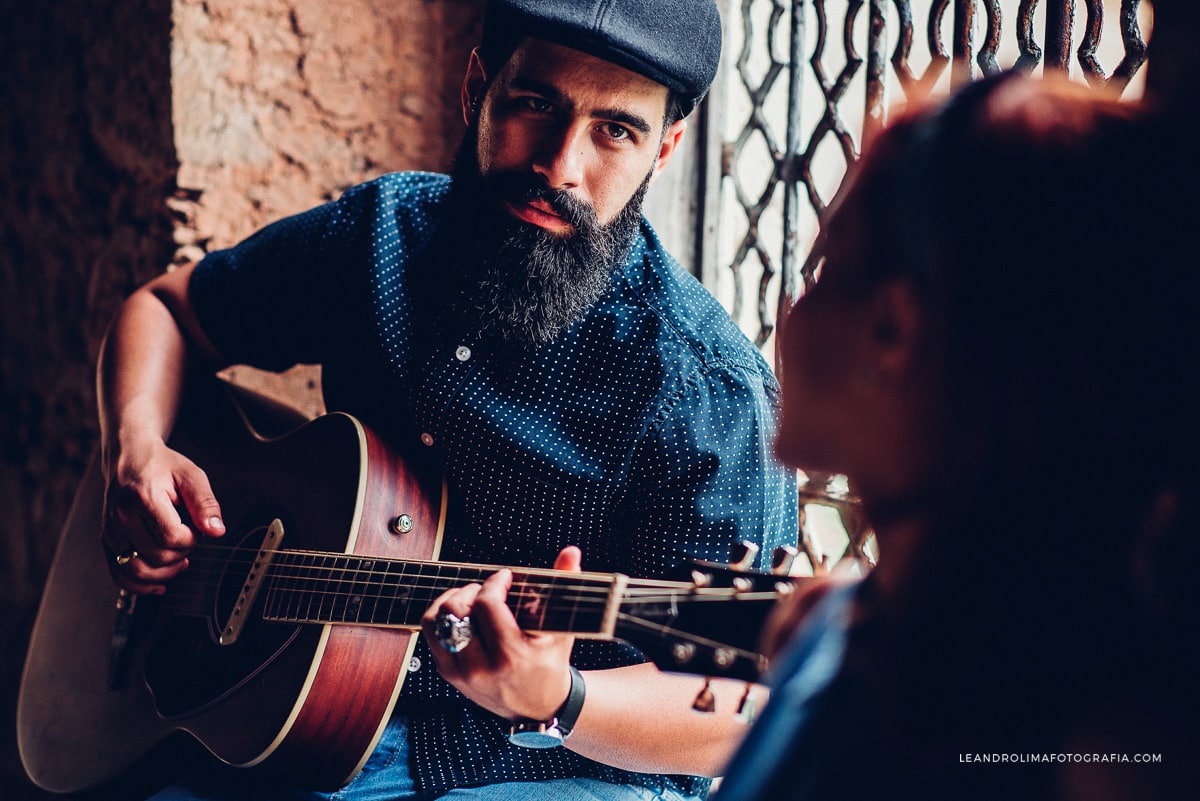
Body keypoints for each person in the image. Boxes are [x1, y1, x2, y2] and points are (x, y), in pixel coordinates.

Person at [95, 1, 799, 799]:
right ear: (477, 90)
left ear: (665, 150)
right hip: (293, 703)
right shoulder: (382, 236)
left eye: (616, 131)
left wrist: (560, 698)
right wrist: (138, 448)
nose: (561, 165)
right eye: (536, 104)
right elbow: (169, 309)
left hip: (561, 764)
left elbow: (737, 714)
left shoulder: (707, 389)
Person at [713, 71, 1198, 801]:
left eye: (825, 270)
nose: (792, 315)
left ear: (893, 331)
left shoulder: (1091, 766)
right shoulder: (846, 626)